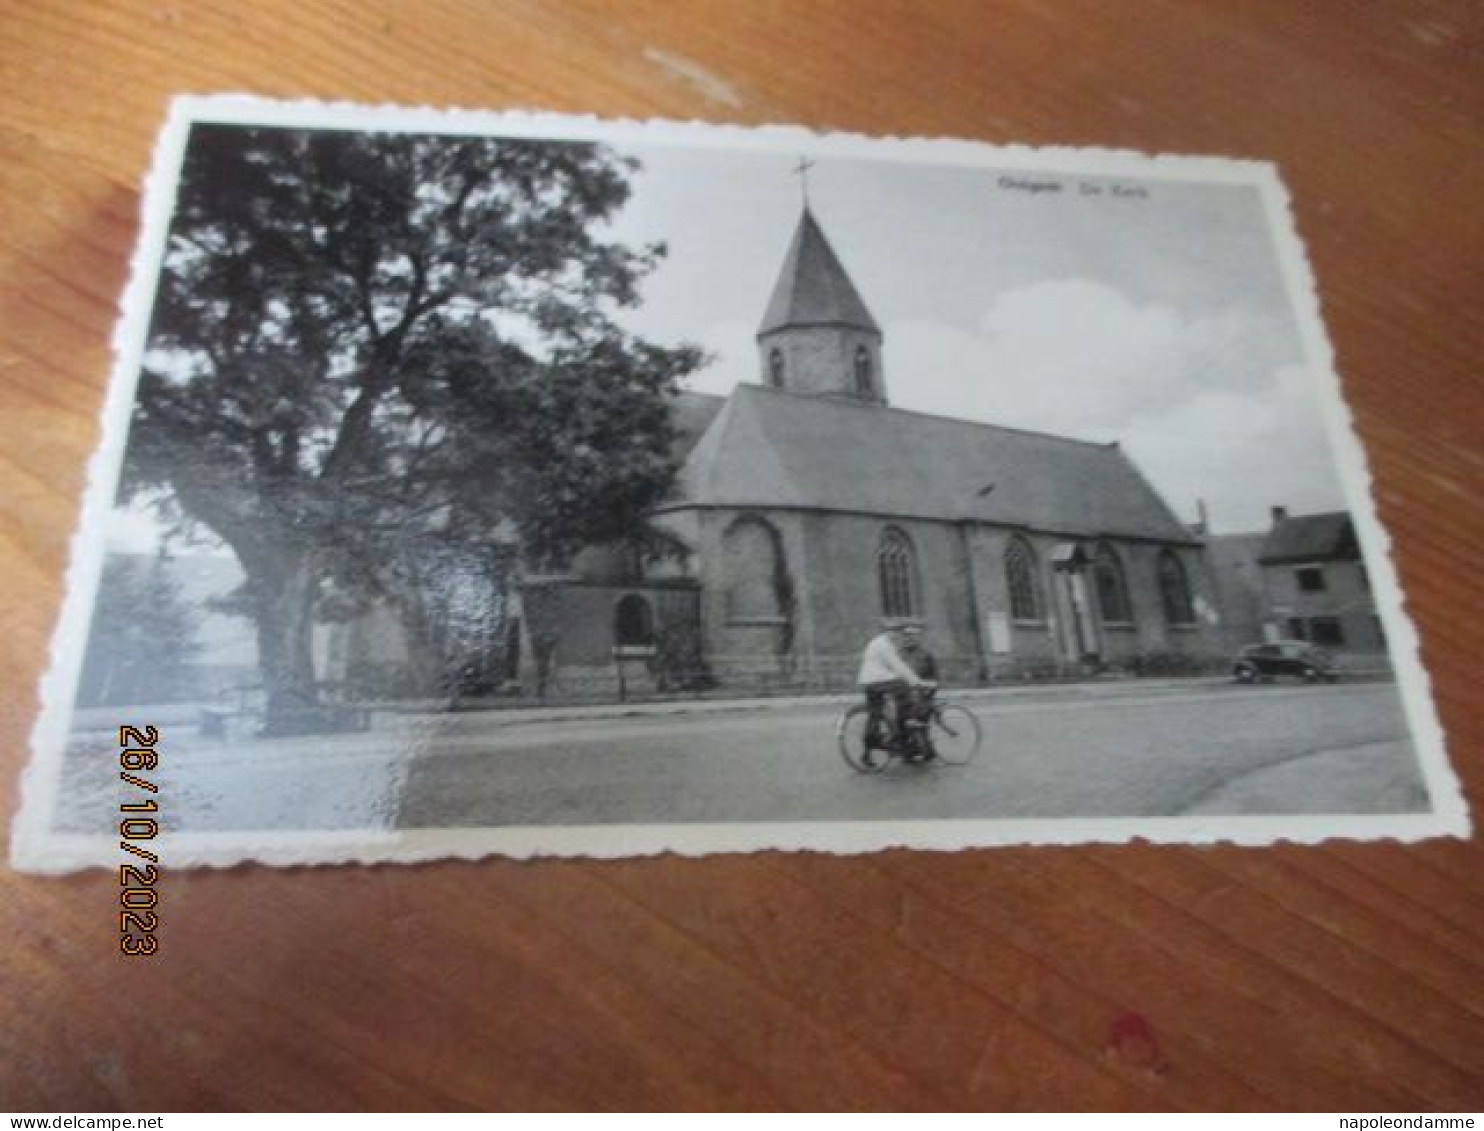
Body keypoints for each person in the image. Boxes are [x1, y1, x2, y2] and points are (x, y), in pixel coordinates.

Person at [856, 620, 931, 757]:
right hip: (878, 681)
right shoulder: (884, 645)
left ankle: (869, 745)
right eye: (892, 632)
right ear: (886, 632)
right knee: (903, 688)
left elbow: (887, 666)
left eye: (895, 632)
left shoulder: (875, 643)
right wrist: (916, 682)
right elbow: (898, 666)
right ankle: (907, 720)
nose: (894, 635)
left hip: (867, 681)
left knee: (875, 713)